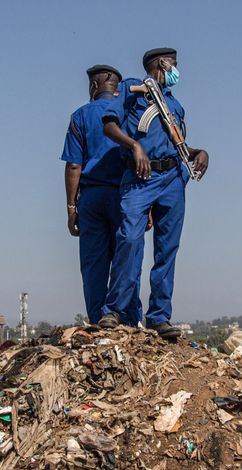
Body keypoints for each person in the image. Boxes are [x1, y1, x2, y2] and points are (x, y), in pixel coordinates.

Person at [96, 47, 209, 340]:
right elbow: (109, 125)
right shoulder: (131, 90)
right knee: (129, 239)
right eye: (174, 65)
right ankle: (116, 309)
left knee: (167, 248)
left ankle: (159, 316)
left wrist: (199, 152)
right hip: (140, 177)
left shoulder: (175, 105)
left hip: (173, 176)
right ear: (161, 63)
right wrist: (134, 146)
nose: (176, 70)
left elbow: (177, 142)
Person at [62, 64, 146, 327]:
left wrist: (71, 207)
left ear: (93, 86)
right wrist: (150, 209)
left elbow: (74, 165)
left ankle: (100, 323)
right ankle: (128, 322)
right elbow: (145, 160)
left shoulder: (80, 116)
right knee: (128, 262)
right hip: (128, 197)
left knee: (94, 265)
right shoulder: (131, 115)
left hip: (92, 199)